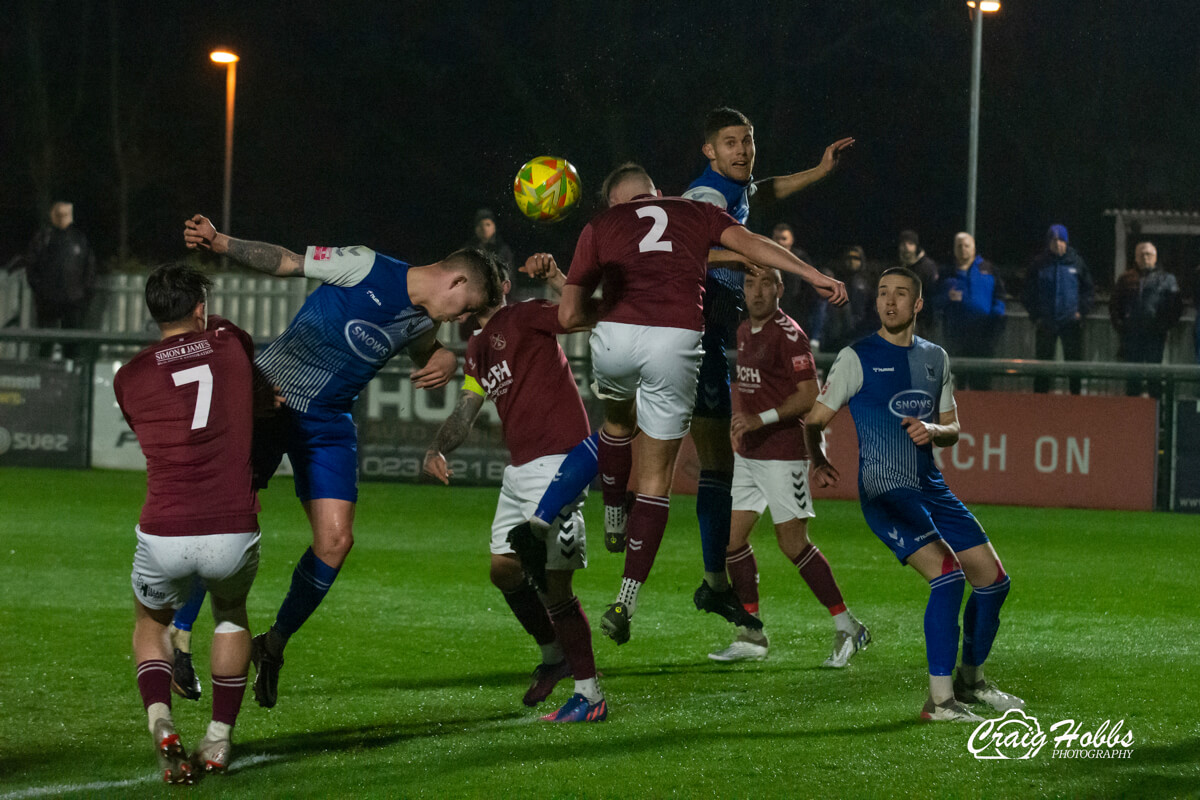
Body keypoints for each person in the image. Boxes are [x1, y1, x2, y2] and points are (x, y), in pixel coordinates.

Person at [182, 214, 504, 709]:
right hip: (269, 401)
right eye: (468, 307)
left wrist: (442, 358)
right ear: (456, 280)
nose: (463, 318)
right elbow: (287, 261)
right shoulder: (366, 265)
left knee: (335, 541)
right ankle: (180, 639)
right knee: (223, 521)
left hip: (328, 422)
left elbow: (426, 351)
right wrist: (220, 242)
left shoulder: (425, 318)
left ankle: (274, 643)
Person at [557, 163, 846, 645]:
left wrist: (609, 317)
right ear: (659, 193)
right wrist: (810, 273)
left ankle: (611, 513)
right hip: (676, 339)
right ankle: (626, 599)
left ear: (614, 205)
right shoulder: (691, 211)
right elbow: (751, 243)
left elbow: (568, 313)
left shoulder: (602, 226)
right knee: (656, 479)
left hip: (615, 337)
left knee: (617, 422)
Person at [804, 267, 1023, 722]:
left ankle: (971, 680)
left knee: (994, 582)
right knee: (948, 578)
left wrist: (934, 429)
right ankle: (939, 702)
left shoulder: (935, 358)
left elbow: (953, 429)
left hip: (932, 490)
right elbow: (813, 421)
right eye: (883, 293)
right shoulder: (856, 356)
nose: (889, 301)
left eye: (901, 294)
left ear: (918, 304)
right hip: (885, 493)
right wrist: (819, 459)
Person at [676, 108, 853, 618]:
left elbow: (764, 191)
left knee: (723, 473)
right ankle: (711, 581)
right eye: (731, 143)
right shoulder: (705, 197)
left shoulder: (734, 189)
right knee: (714, 464)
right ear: (709, 151)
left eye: (748, 141)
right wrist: (739, 258)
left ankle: (733, 603)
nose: (743, 151)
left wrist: (819, 172)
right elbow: (685, 252)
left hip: (721, 325)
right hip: (702, 324)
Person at [424, 256, 607, 722]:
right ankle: (554, 655)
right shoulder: (476, 347)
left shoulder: (524, 315)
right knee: (504, 570)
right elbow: (467, 409)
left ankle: (590, 695)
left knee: (556, 587)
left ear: (501, 285)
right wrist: (438, 448)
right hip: (520, 470)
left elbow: (582, 313)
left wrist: (557, 278)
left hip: (558, 463)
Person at [115, 263, 265, 782]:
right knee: (230, 615)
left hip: (165, 529)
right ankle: (219, 740)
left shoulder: (128, 375)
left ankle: (161, 720)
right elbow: (232, 343)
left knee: (151, 624)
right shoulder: (228, 346)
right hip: (232, 527)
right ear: (200, 307)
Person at [709, 267, 869, 666]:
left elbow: (809, 396)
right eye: (749, 284)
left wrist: (758, 419)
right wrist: (740, 422)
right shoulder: (745, 330)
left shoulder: (789, 334)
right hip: (750, 453)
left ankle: (849, 625)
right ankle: (751, 633)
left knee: (793, 543)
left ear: (780, 288)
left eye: (766, 283)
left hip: (783, 452)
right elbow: (750, 387)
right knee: (732, 542)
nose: (757, 291)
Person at [20, 201, 98, 359]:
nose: (62, 218)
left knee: (72, 343)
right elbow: (31, 266)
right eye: (59, 214)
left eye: (65, 215)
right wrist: (40, 290)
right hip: (48, 300)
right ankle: (42, 375)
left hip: (73, 300)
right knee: (45, 342)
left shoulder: (79, 239)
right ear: (52, 216)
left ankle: (73, 376)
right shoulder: (43, 238)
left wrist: (84, 292)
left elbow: (89, 267)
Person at [1023, 225, 1094, 394]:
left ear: (1066, 242)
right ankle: (1040, 401)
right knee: (1043, 366)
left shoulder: (1076, 262)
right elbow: (1027, 292)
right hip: (1046, 322)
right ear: (1048, 243)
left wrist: (1081, 312)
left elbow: (1088, 290)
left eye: (1061, 240)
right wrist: (1036, 316)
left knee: (1074, 365)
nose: (1057, 244)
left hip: (1071, 323)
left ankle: (1075, 399)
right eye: (1054, 240)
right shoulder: (1039, 264)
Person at [934, 232, 1006, 390]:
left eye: (966, 245)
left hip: (983, 335)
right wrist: (947, 297)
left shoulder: (989, 269)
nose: (963, 249)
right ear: (954, 249)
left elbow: (1000, 295)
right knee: (957, 384)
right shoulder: (946, 273)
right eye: (959, 246)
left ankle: (983, 414)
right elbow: (934, 301)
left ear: (973, 248)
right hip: (956, 336)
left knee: (981, 382)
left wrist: (997, 315)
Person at [1110, 241, 1182, 397]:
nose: (1145, 257)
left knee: (1154, 378)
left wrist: (1164, 326)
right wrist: (1122, 327)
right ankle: (1132, 416)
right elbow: (1114, 305)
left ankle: (1156, 416)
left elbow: (1176, 307)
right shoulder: (1125, 279)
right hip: (1132, 336)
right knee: (1132, 379)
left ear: (1155, 257)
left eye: (1148, 254)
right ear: (1135, 258)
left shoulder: (1167, 279)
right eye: (1141, 255)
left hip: (1155, 336)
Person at [772, 222, 832, 351]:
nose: (780, 242)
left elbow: (811, 281)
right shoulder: (765, 256)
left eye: (784, 239)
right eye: (777, 238)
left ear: (791, 240)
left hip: (797, 310)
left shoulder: (800, 257)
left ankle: (815, 340)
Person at [824, 245, 878, 351]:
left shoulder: (869, 282)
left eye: (856, 258)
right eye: (849, 258)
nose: (852, 261)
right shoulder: (837, 280)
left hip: (861, 328)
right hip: (840, 327)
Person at [896, 229, 939, 338]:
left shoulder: (927, 266)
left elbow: (932, 295)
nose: (906, 247)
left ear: (916, 246)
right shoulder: (898, 266)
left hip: (923, 322)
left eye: (910, 244)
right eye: (903, 244)